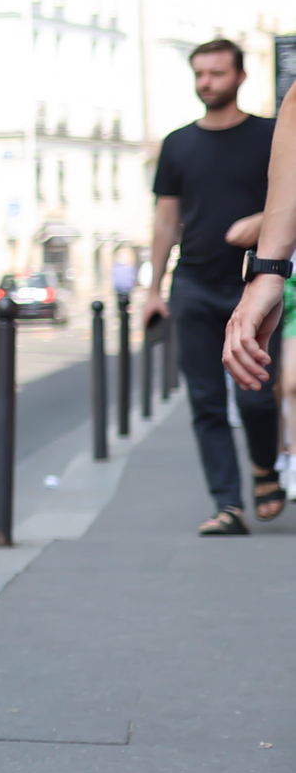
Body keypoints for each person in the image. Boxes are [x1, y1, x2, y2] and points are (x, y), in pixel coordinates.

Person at [145, 40, 279, 536]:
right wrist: (154, 289)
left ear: (241, 76)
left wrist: (261, 220)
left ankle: (264, 470)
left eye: (217, 73)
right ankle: (228, 504)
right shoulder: (178, 143)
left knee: (256, 398)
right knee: (205, 401)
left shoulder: (270, 134)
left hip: (257, 282)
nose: (207, 83)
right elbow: (164, 221)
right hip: (195, 284)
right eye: (200, 74)